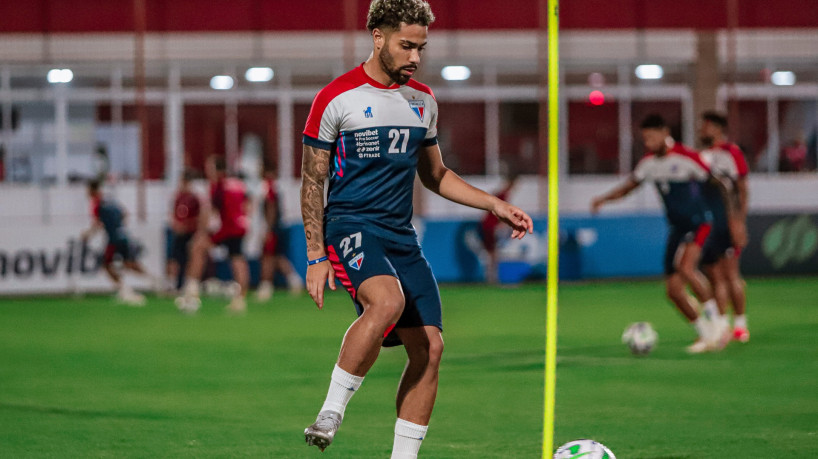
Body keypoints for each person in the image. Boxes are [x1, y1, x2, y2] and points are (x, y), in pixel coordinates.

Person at [299, 1, 534, 456]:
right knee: (387, 300)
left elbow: (436, 174)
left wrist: (494, 204)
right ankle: (330, 411)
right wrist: (315, 255)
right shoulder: (336, 98)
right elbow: (313, 181)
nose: (414, 57)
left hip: (400, 235)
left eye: (421, 48)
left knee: (430, 348)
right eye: (406, 46)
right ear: (378, 37)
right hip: (351, 225)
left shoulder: (422, 101)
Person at [591, 114, 731, 354]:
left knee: (687, 269)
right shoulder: (648, 164)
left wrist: (729, 220)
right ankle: (706, 335)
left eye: (651, 137)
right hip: (677, 228)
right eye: (644, 138)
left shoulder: (688, 157)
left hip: (700, 223)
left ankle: (719, 325)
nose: (647, 142)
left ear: (665, 132)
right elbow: (629, 187)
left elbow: (718, 185)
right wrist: (604, 199)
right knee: (674, 291)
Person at [699, 111, 750, 343]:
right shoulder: (701, 156)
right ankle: (722, 326)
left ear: (717, 128)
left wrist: (739, 220)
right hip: (709, 223)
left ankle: (740, 324)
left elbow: (742, 188)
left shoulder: (731, 153)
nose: (702, 130)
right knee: (714, 276)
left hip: (728, 221)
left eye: (705, 126)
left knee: (731, 274)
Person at [177, 156, 250, 314]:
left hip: (226, 228)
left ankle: (191, 291)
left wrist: (202, 232)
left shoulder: (218, 186)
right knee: (238, 260)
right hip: (240, 226)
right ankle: (240, 300)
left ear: (218, 170)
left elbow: (211, 211)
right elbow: (248, 203)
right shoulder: (237, 184)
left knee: (197, 247)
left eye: (209, 168)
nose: (207, 171)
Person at [81, 180, 154, 306]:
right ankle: (153, 281)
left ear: (92, 190)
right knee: (129, 263)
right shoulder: (111, 201)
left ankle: (125, 290)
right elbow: (124, 214)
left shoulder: (97, 204)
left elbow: (97, 223)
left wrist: (88, 234)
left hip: (113, 239)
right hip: (123, 235)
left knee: (106, 265)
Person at [256, 164, 304, 301]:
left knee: (268, 257)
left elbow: (271, 208)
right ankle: (294, 281)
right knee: (277, 257)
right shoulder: (277, 187)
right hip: (280, 226)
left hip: (274, 227)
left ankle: (266, 286)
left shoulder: (269, 187)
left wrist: (268, 229)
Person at [479, 171, 519, 284]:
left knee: (492, 252)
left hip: (488, 225)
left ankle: (491, 276)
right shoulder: (503, 194)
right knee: (492, 253)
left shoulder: (500, 193)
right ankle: (491, 277)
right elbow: (500, 212)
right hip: (489, 226)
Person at [167, 168, 202, 292]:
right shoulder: (178, 197)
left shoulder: (194, 198)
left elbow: (199, 217)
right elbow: (174, 213)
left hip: (189, 233)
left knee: (189, 259)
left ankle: (188, 284)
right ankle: (174, 284)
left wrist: (187, 226)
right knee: (175, 258)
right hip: (178, 233)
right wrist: (175, 224)